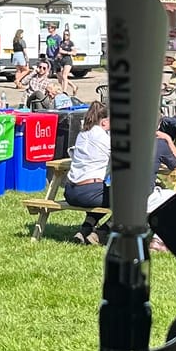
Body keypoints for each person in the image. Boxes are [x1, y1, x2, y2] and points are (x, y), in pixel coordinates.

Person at [62, 97, 111, 244]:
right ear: (104, 122)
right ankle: (102, 232)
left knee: (105, 192)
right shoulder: (104, 138)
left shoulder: (82, 135)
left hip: (70, 191)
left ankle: (85, 229)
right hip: (89, 192)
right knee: (132, 201)